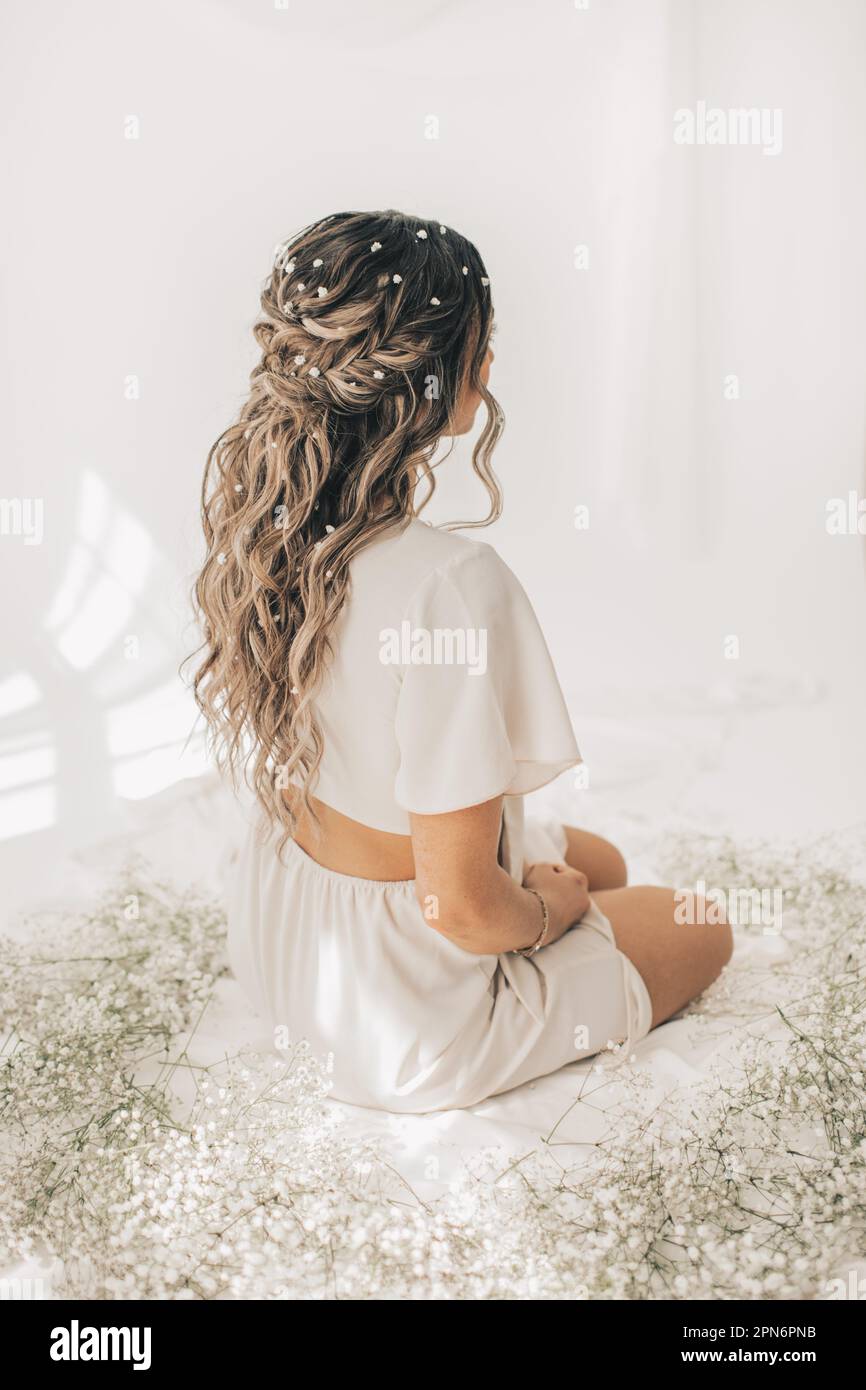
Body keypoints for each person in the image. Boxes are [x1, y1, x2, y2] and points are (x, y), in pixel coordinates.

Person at [192, 209, 732, 1113]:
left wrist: (559, 885)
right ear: (439, 383)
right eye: (484, 346)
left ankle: (556, 909)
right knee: (700, 921)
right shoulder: (449, 582)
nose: (491, 367)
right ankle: (536, 972)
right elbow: (461, 912)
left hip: (287, 942)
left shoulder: (264, 520)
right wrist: (551, 913)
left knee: (604, 857)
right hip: (400, 1019)